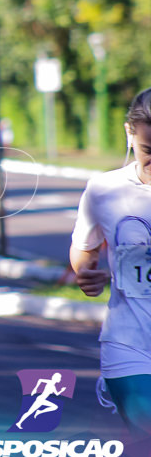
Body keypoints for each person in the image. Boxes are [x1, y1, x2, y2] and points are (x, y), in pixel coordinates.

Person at [72, 86, 151, 434]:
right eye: (148, 150)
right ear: (129, 134)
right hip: (129, 341)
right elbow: (83, 251)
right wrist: (85, 274)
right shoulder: (103, 190)